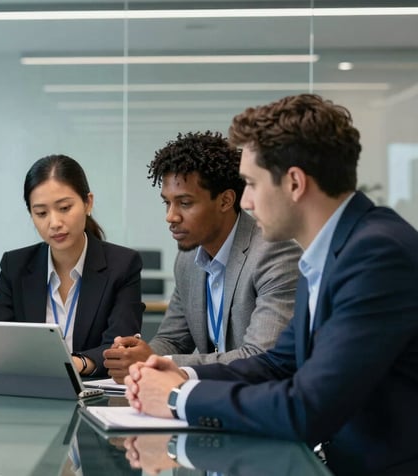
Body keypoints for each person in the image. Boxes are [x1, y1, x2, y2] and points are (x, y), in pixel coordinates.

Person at [125, 94, 418, 475]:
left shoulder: (375, 254)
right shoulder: (334, 249)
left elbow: (307, 407)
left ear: (294, 183)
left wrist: (180, 397)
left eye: (250, 183)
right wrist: (179, 372)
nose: (244, 201)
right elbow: (280, 362)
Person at [103, 131, 301, 382]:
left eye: (185, 203)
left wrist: (160, 362)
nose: (171, 216)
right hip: (212, 400)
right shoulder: (188, 260)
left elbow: (260, 357)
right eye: (167, 203)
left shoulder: (274, 253)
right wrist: (138, 354)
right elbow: (173, 339)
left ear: (226, 200)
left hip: (261, 404)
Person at [0, 155, 144, 377]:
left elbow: (120, 346)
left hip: (95, 396)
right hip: (29, 392)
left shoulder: (123, 265)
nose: (54, 223)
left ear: (88, 203)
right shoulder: (15, 266)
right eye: (41, 213)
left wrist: (76, 364)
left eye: (64, 208)